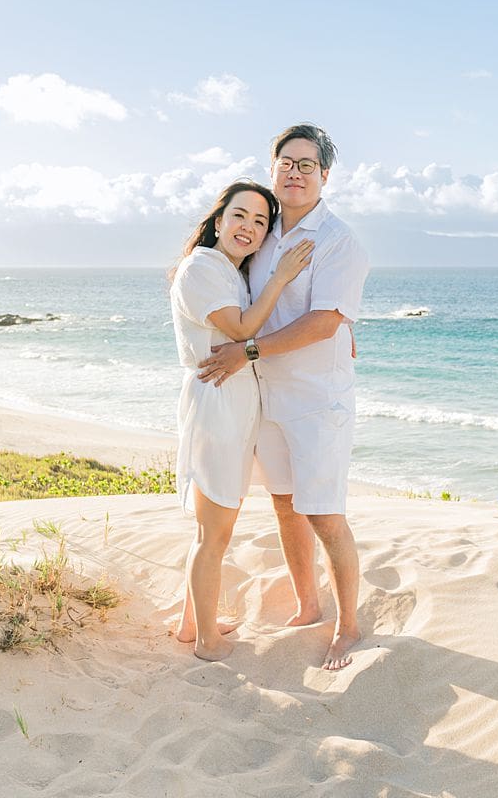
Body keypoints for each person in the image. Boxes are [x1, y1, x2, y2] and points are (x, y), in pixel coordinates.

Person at [197, 124, 369, 671]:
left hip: (318, 400)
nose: (296, 173)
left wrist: (248, 350)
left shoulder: (339, 241)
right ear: (273, 169)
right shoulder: (262, 229)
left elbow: (323, 322)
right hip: (266, 395)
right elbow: (226, 284)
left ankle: (348, 627)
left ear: (325, 176)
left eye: (307, 165)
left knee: (324, 514)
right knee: (284, 504)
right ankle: (307, 604)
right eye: (286, 163)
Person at [169, 180, 315, 662]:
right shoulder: (201, 268)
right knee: (213, 534)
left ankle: (193, 625)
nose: (249, 227)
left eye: (260, 221)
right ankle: (206, 642)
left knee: (214, 532)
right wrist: (282, 277)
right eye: (239, 215)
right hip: (217, 406)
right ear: (218, 221)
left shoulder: (228, 273)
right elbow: (241, 328)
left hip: (231, 405)